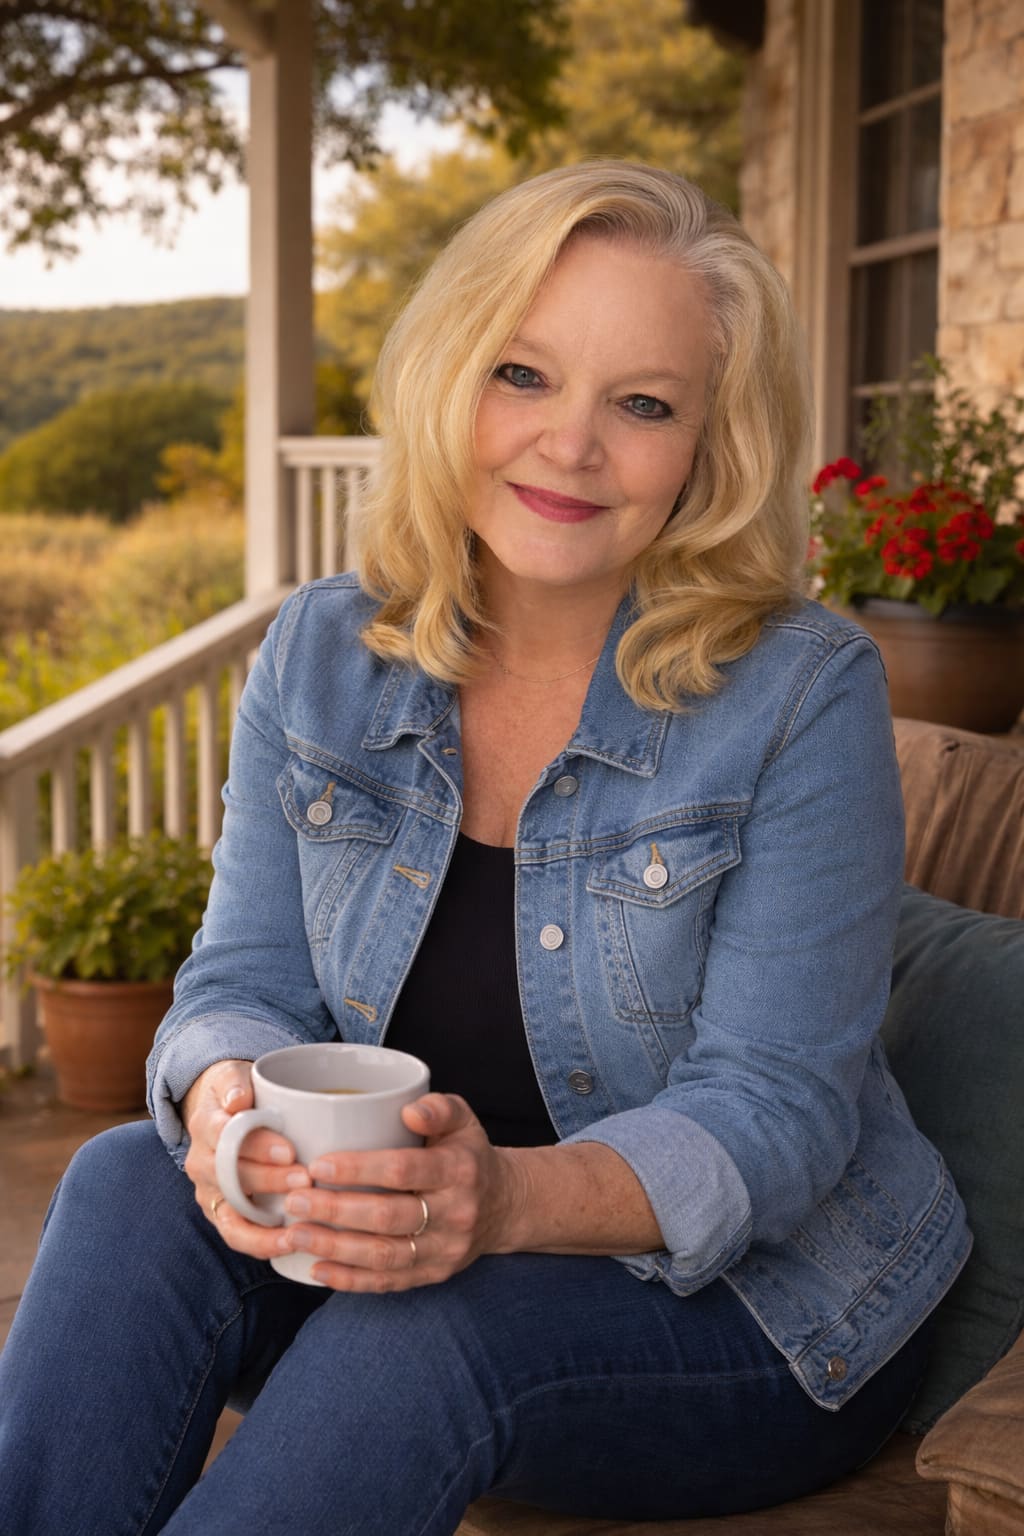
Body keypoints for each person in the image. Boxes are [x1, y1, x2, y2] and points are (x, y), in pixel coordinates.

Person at [0, 161, 970, 1535]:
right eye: (524, 374)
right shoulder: (324, 653)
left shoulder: (801, 694)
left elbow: (773, 1116)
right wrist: (226, 1101)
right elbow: (242, 980)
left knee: (422, 1340)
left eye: (642, 404)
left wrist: (498, 1201)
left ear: (711, 448)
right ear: (451, 379)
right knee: (123, 1183)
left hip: (762, 1309)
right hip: (410, 1244)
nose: (571, 445)